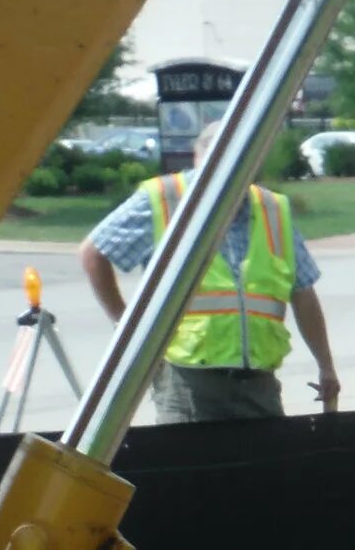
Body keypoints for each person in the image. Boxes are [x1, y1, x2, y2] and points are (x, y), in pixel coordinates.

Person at [77, 134, 339, 421]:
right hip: (188, 384)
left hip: (258, 385)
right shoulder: (165, 199)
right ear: (198, 159)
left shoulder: (272, 210)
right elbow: (93, 254)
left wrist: (325, 365)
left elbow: (303, 294)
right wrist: (127, 327)